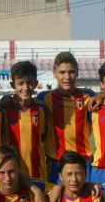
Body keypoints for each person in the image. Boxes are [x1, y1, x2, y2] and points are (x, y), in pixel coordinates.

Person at [36, 52, 94, 184]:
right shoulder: (43, 98)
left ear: (77, 73)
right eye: (62, 72)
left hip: (83, 162)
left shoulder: (89, 97)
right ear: (54, 73)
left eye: (71, 72)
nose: (67, 77)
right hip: (56, 164)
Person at [2, 60, 47, 183]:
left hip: (37, 171)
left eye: (30, 83)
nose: (25, 88)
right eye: (20, 83)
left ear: (36, 83)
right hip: (12, 175)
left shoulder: (41, 109)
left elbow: (42, 137)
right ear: (13, 85)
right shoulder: (4, 109)